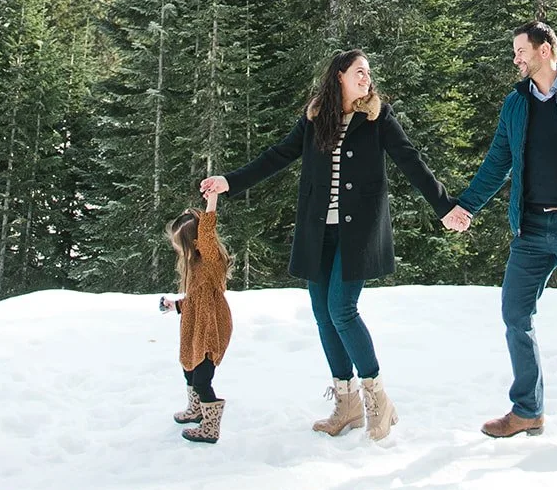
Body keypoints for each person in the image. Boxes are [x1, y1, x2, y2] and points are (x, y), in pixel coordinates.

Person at [200, 49, 457, 442]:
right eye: (358, 72)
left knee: (342, 309)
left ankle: (377, 397)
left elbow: (410, 160)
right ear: (339, 75)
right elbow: (279, 155)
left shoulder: (378, 117)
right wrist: (230, 182)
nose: (366, 78)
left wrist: (444, 206)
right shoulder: (317, 117)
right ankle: (347, 402)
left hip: (359, 231)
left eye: (368, 73)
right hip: (318, 231)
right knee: (322, 314)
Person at [441, 21, 557, 460]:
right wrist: (466, 206)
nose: (516, 58)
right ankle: (527, 410)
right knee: (514, 314)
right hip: (529, 230)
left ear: (545, 50)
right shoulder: (515, 104)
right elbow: (497, 163)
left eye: (520, 50)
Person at [160, 187, 233, 444]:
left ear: (193, 243)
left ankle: (210, 427)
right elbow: (195, 301)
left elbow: (208, 235)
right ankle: (196, 410)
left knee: (202, 379)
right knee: (188, 369)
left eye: (179, 245)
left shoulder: (211, 263)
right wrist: (175, 306)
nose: (177, 250)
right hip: (195, 327)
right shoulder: (195, 267)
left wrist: (212, 201)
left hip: (211, 329)